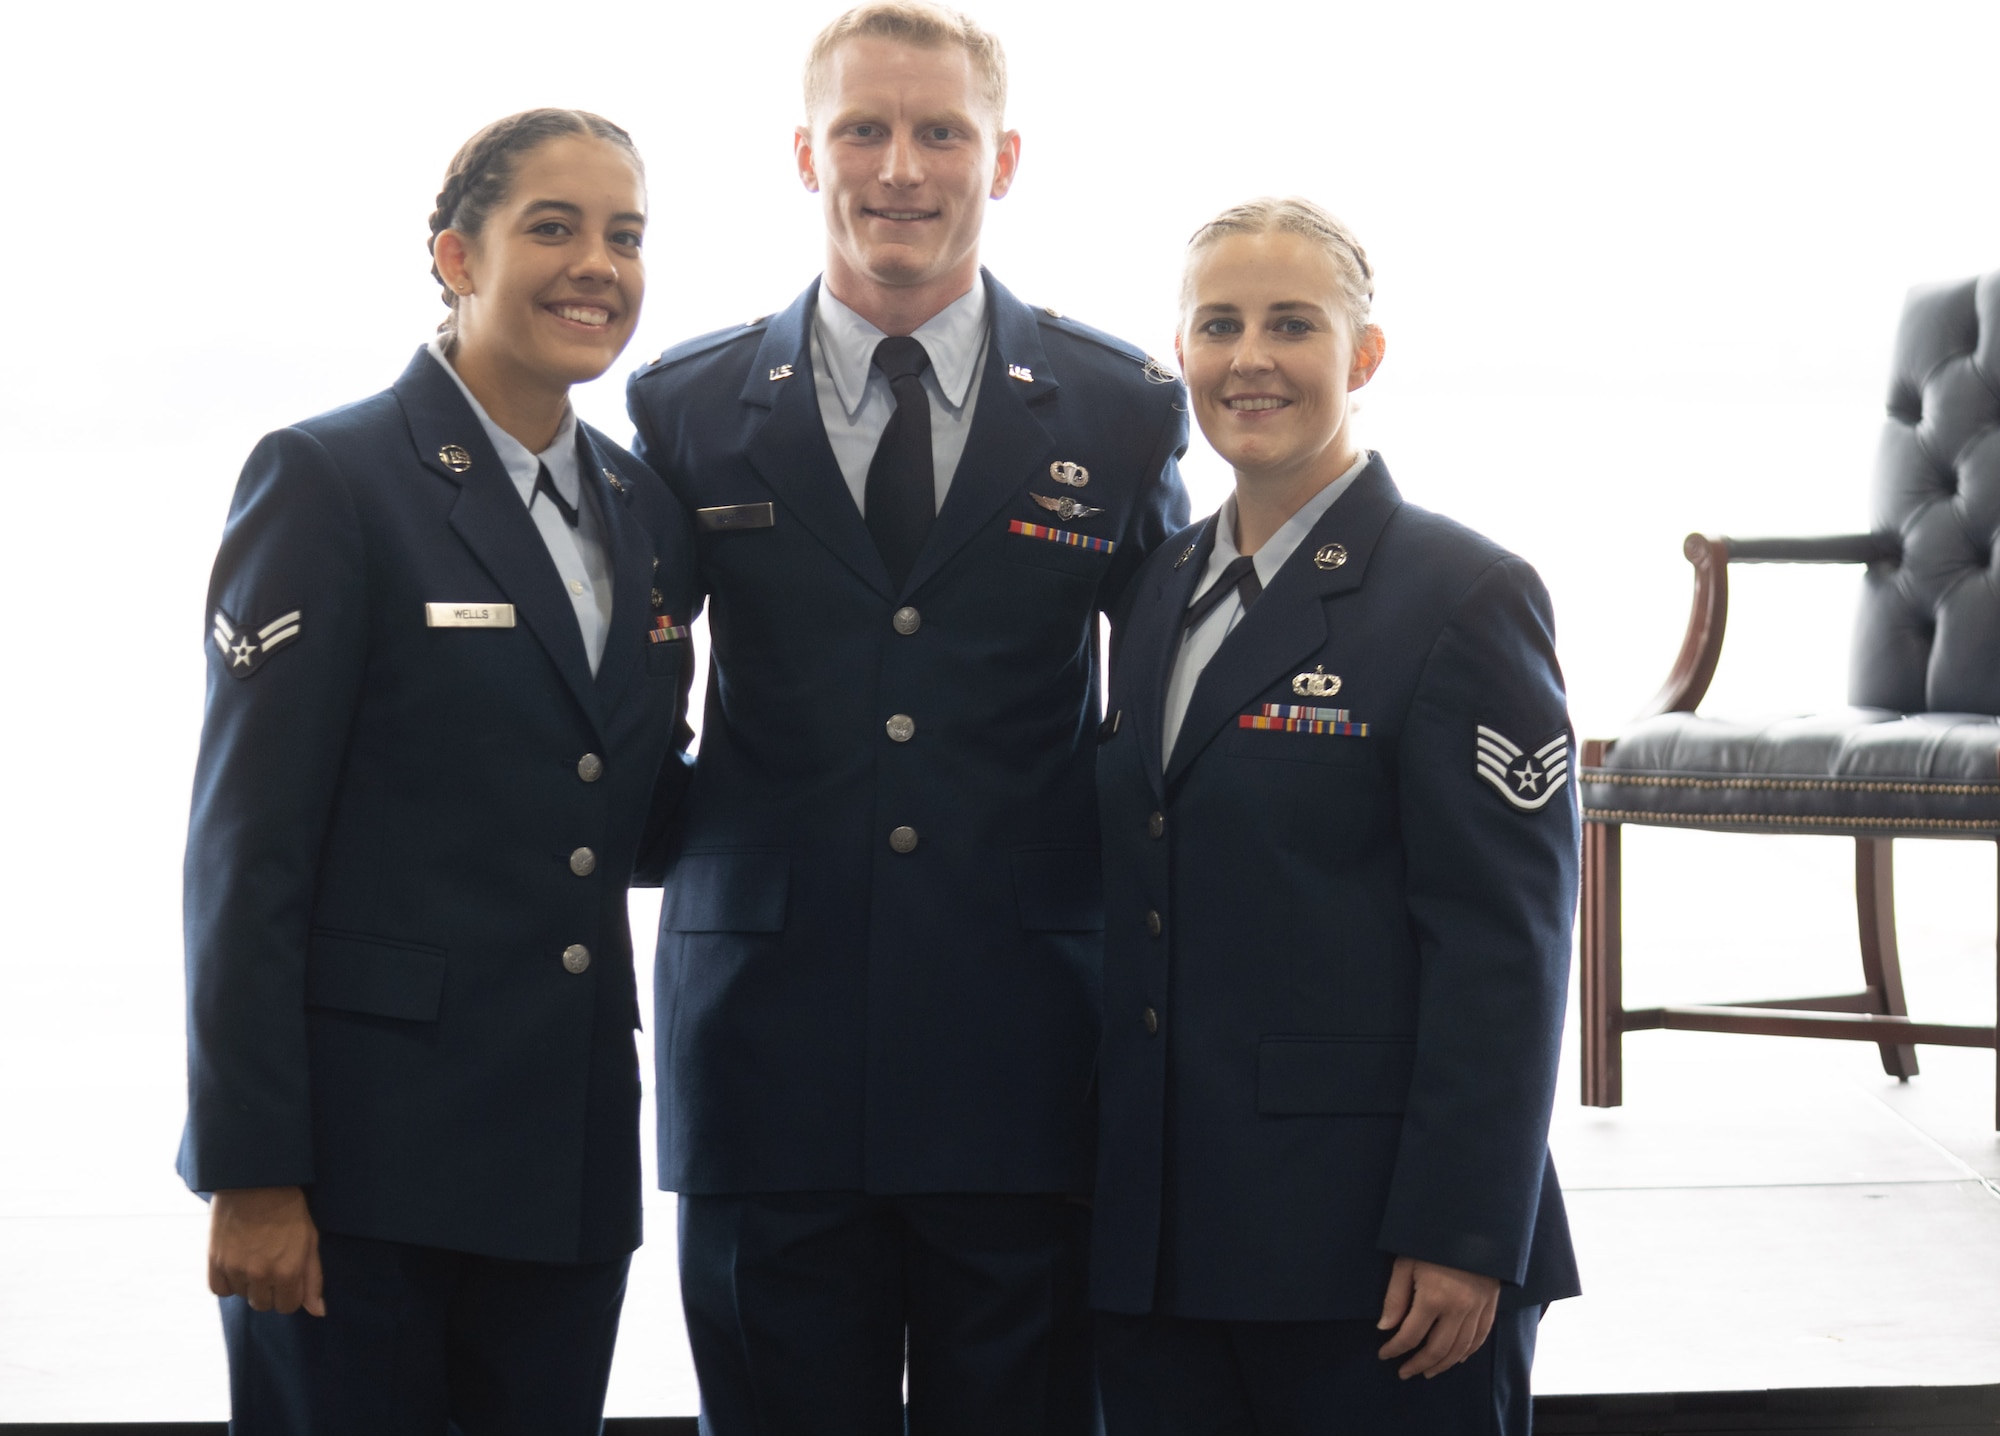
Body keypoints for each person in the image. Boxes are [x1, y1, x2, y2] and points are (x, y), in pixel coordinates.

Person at [624, 5, 1191, 1431]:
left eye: (941, 131)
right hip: (763, 1049)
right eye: (865, 129)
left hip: (1025, 1046)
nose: (901, 166)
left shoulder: (1121, 410)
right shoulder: (684, 405)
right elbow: (625, 701)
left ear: (1003, 160)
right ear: (805, 151)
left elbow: (1173, 717)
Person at [177, 108, 697, 1433]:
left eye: (624, 236)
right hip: (360, 1173)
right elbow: (248, 853)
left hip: (566, 1159)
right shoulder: (331, 480)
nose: (598, 265)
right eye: (555, 228)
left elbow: (629, 814)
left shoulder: (641, 513)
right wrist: (252, 1173)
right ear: (455, 256)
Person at [1089, 197, 1581, 1435]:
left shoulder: (1463, 594)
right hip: (1164, 1243)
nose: (1249, 357)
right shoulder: (1156, 588)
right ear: (1183, 355)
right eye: (1219, 324)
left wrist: (1464, 1232)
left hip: (1377, 1255)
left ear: (1361, 357)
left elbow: (1504, 945)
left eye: (1290, 324)